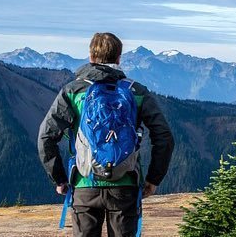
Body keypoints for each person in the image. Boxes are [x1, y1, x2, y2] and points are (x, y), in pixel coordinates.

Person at [38, 32, 174, 237]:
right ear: (119, 58)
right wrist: (154, 179)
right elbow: (164, 136)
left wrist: (59, 179)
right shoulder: (136, 91)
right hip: (125, 184)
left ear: (91, 57)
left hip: (85, 183)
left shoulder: (73, 91)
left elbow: (46, 137)